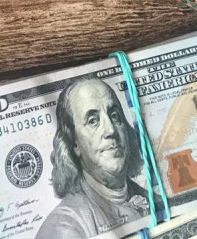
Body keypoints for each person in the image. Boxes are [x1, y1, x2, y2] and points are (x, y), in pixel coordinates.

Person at [36, 77, 151, 239]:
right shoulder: (64, 227)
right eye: (93, 121)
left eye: (115, 115)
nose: (111, 130)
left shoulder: (155, 200)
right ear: (74, 143)